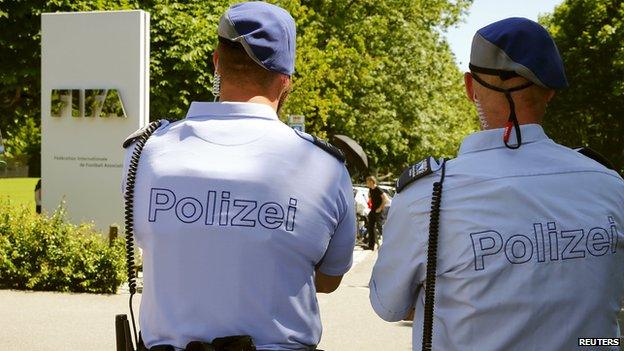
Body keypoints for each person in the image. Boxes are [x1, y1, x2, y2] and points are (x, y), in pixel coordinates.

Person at [369, 17, 624, 351]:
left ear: (470, 87)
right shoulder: (609, 186)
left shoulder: (429, 194)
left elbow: (389, 306)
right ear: (549, 91)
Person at [122, 2, 356, 350]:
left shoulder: (144, 153)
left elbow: (157, 247)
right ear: (285, 81)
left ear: (216, 60)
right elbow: (329, 279)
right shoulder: (326, 168)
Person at [365, 176, 387, 250]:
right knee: (370, 227)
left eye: (367, 181)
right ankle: (371, 245)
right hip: (373, 210)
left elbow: (385, 199)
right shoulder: (371, 189)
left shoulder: (378, 189)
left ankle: (387, 243)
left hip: (379, 211)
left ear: (371, 181)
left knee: (380, 227)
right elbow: (371, 198)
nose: (366, 183)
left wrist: (380, 208)